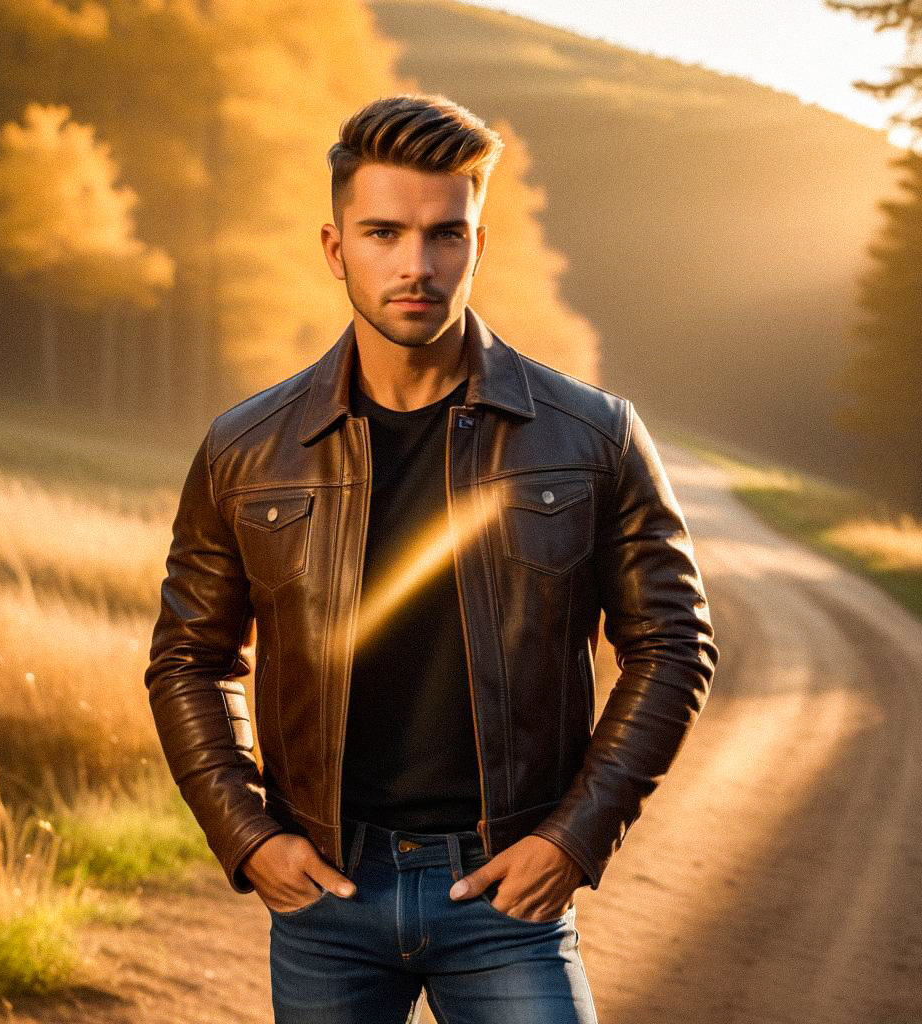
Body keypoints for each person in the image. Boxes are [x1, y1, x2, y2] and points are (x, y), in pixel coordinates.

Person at [145, 92, 719, 1023]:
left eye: (446, 235)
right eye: (382, 232)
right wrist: (247, 835)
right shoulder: (246, 450)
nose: (416, 264)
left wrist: (574, 839)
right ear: (335, 250)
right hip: (327, 890)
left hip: (507, 893)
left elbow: (673, 645)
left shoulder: (593, 435)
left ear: (478, 247)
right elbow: (190, 661)